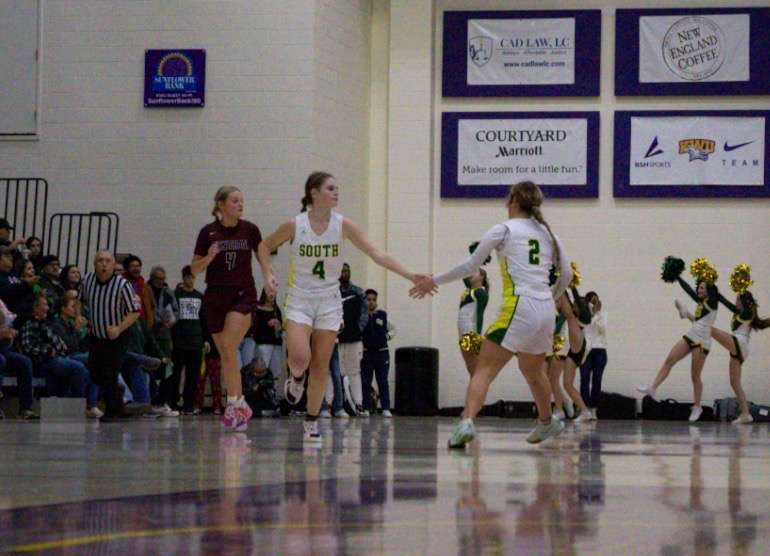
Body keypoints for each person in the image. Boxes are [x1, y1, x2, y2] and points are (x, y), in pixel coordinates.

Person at [411, 180, 572, 448]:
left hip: (519, 305)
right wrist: (551, 296)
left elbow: (471, 265)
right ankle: (547, 421)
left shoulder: (505, 230)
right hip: (545, 308)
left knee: (484, 369)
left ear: (513, 201)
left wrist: (433, 280)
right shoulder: (550, 234)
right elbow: (566, 274)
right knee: (533, 372)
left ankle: (466, 422)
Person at [263, 171, 417, 442]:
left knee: (322, 365)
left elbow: (377, 254)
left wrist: (412, 275)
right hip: (299, 298)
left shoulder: (343, 225)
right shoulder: (294, 225)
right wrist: (268, 274)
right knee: (300, 357)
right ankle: (296, 377)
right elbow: (264, 247)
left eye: (337, 188)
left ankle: (311, 422)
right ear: (314, 193)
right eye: (331, 188)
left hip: (329, 302)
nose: (337, 193)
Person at [191, 186, 276, 432]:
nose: (241, 204)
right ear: (221, 204)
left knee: (229, 345)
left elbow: (263, 257)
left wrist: (269, 277)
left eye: (242, 200)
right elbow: (194, 270)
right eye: (235, 200)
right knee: (226, 354)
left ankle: (233, 404)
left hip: (242, 295)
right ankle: (239, 403)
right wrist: (208, 257)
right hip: (215, 297)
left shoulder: (250, 230)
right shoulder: (208, 233)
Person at [637, 268, 718, 422]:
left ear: (709, 291)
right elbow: (698, 321)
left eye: (702, 288)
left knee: (695, 376)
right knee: (670, 359)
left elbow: (690, 292)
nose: (699, 290)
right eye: (699, 287)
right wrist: (686, 312)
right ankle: (653, 388)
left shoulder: (712, 303)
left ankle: (697, 406)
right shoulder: (702, 304)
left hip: (702, 342)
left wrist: (682, 279)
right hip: (693, 334)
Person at [80, 251, 141, 422]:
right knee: (95, 373)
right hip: (96, 335)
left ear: (114, 265)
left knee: (109, 372)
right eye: (100, 261)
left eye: (108, 261)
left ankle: (112, 410)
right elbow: (79, 300)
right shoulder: (87, 281)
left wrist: (119, 328)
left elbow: (135, 312)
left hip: (117, 336)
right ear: (94, 263)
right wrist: (79, 316)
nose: (104, 264)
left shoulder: (123, 285)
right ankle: (118, 394)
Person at [709, 278, 769, 424]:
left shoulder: (748, 313)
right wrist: (716, 293)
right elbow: (727, 303)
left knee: (708, 329)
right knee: (734, 383)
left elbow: (747, 307)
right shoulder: (738, 312)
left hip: (739, 343)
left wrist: (743, 286)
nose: (735, 301)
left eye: (737, 299)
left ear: (743, 301)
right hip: (737, 347)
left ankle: (691, 319)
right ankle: (746, 414)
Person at [171, 265, 205, 414]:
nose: (190, 280)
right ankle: (172, 402)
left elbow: (204, 320)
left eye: (192, 277)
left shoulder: (199, 296)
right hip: (179, 341)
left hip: (196, 342)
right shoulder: (176, 295)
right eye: (188, 277)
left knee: (193, 376)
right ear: (183, 278)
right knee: (175, 374)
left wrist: (206, 339)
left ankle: (189, 404)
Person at [337, 263, 368, 413]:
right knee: (335, 373)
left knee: (354, 371)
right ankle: (334, 404)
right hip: (335, 339)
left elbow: (365, 313)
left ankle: (359, 403)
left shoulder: (358, 292)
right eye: (342, 271)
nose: (345, 273)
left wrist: (358, 329)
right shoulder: (332, 292)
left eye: (347, 271)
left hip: (354, 339)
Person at [361, 288, 396, 416]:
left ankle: (386, 408)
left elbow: (393, 330)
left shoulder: (383, 315)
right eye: (368, 300)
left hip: (382, 353)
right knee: (365, 381)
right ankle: (366, 408)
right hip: (366, 354)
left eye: (373, 300)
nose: (371, 302)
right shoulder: (361, 317)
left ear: (376, 301)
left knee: (382, 381)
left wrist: (387, 337)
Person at [457, 264, 489, 378]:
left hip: (471, 333)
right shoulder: (469, 290)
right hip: (463, 333)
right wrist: (470, 264)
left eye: (474, 272)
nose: (470, 275)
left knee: (474, 368)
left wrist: (477, 336)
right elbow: (463, 276)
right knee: (470, 367)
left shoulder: (480, 293)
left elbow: (480, 315)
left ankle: (477, 393)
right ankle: (475, 393)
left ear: (482, 277)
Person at [580, 291, 607, 420]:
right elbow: (584, 327)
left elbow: (602, 329)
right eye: (591, 301)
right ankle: (584, 408)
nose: (593, 304)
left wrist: (596, 314)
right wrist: (590, 313)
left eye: (595, 301)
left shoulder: (603, 314)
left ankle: (593, 408)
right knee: (584, 379)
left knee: (597, 380)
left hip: (600, 350)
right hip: (586, 350)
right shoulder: (584, 314)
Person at [252, 288, 283, 383]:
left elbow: (280, 330)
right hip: (263, 344)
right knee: (261, 370)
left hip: (276, 344)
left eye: (273, 292)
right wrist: (267, 324)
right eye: (269, 292)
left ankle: (272, 394)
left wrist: (279, 327)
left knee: (275, 371)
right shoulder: (258, 309)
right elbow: (255, 328)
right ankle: (260, 394)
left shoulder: (276, 310)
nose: (272, 295)